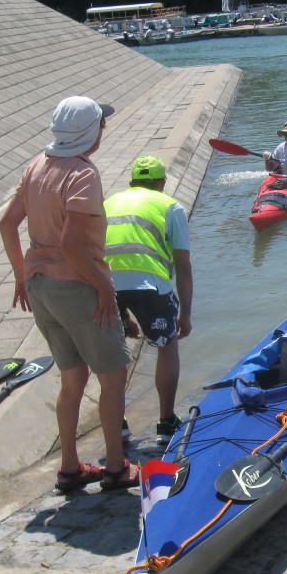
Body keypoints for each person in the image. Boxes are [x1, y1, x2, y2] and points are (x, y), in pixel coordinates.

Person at [0, 96, 139, 492]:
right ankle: (116, 468)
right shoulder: (82, 175)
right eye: (101, 124)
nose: (105, 129)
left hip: (42, 287)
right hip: (77, 286)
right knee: (113, 379)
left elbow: (7, 225)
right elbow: (74, 247)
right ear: (91, 132)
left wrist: (21, 276)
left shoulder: (36, 166)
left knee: (72, 377)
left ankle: (70, 468)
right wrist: (105, 289)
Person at [103, 155, 193, 442]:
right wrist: (186, 316)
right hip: (150, 286)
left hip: (105, 285)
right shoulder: (171, 207)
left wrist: (124, 314)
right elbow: (183, 266)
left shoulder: (107, 203)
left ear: (131, 182)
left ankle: (117, 422)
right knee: (166, 348)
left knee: (112, 354)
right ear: (162, 183)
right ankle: (166, 423)